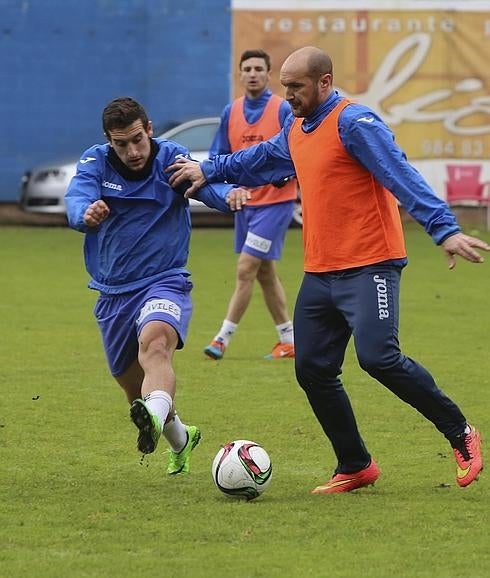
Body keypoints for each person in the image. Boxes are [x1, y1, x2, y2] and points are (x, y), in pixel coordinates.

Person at [166, 46, 488, 493]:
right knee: (312, 369)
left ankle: (461, 433)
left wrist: (443, 228)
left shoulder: (355, 123)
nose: (289, 96)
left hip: (371, 264)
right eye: (285, 87)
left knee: (379, 358)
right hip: (321, 271)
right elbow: (258, 162)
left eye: (295, 87)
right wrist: (209, 168)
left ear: (324, 82)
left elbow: (400, 173)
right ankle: (355, 464)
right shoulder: (296, 127)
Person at [65, 97, 248, 474]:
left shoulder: (170, 158)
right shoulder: (94, 162)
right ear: (108, 140)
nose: (132, 151)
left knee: (157, 346)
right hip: (113, 291)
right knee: (136, 392)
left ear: (149, 129)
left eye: (137, 139)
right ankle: (181, 438)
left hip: (165, 281)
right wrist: (85, 213)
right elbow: (77, 196)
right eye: (121, 143)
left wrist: (226, 196)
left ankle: (157, 415)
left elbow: (200, 187)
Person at [203, 49, 298, 361]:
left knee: (245, 268)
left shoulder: (283, 109)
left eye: (259, 68)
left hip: (275, 206)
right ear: (240, 75)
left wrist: (284, 176)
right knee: (264, 273)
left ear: (268, 74)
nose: (253, 73)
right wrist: (229, 188)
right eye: (248, 68)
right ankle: (289, 339)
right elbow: (217, 159)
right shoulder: (231, 111)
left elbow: (297, 151)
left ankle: (222, 338)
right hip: (245, 205)